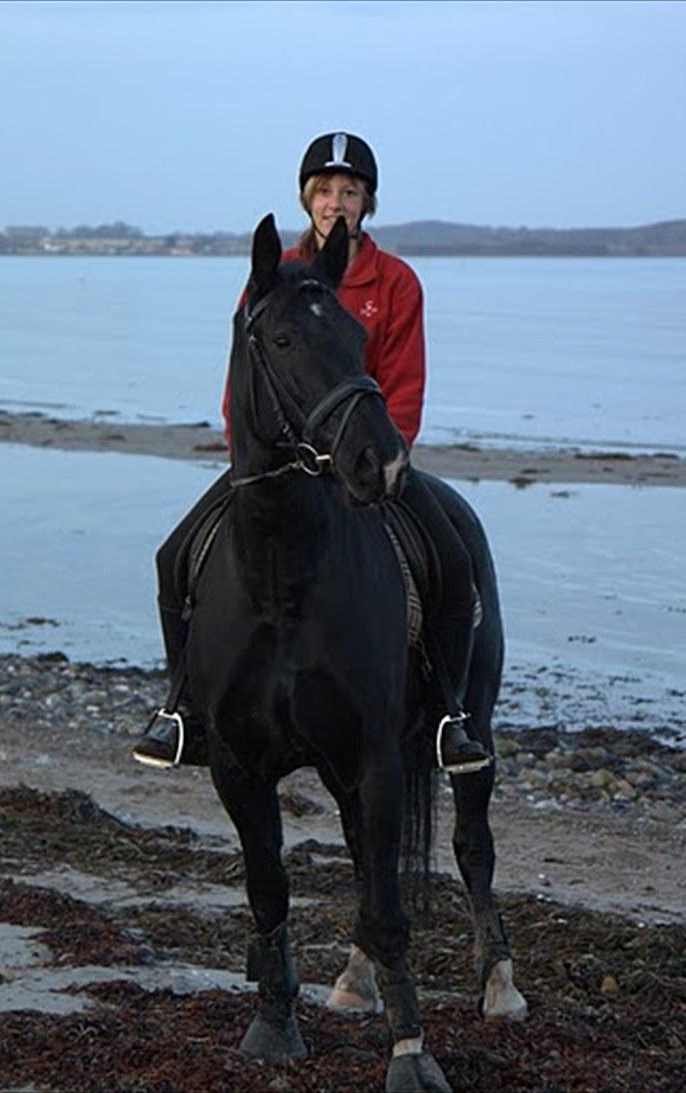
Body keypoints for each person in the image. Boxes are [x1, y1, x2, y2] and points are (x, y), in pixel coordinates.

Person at [132, 132, 490, 776]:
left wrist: (385, 458)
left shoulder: (398, 283)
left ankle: (448, 714)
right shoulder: (270, 281)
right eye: (324, 191)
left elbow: (403, 387)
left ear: (366, 204)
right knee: (173, 557)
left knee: (455, 560)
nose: (335, 203)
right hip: (278, 467)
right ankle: (183, 706)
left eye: (349, 192)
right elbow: (240, 389)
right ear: (307, 200)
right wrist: (255, 454)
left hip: (364, 460)